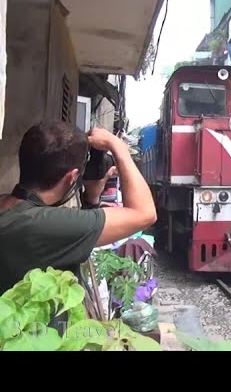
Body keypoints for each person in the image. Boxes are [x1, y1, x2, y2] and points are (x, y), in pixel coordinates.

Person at [0, 121, 157, 296]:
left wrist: (92, 199)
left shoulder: (12, 209)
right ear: (72, 177)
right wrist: (117, 146)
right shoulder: (40, 225)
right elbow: (145, 214)